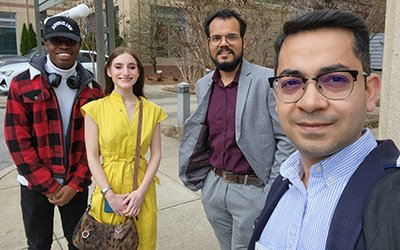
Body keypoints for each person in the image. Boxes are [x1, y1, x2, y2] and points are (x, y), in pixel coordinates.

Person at [249, 9, 400, 250]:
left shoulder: (393, 199)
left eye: (335, 80)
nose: (309, 103)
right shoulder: (286, 179)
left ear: (369, 92)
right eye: (291, 83)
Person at [179, 9, 294, 250]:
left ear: (243, 40)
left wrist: (270, 191)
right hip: (215, 188)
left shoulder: (267, 81)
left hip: (252, 191)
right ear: (208, 44)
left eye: (231, 37)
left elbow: (287, 139)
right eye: (216, 38)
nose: (224, 44)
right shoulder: (203, 85)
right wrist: (207, 184)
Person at [3, 16, 103, 250]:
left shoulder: (94, 90)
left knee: (79, 244)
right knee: (38, 244)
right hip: (34, 185)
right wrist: (49, 186)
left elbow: (95, 145)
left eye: (70, 41)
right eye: (56, 40)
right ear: (46, 44)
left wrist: (75, 183)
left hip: (75, 185)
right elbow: (17, 142)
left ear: (79, 45)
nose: (64, 46)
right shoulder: (22, 84)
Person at [81, 47, 167, 250]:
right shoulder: (95, 109)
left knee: (143, 241)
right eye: (118, 67)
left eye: (131, 67)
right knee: (108, 242)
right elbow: (92, 156)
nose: (125, 73)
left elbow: (156, 155)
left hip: (142, 187)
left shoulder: (153, 111)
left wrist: (141, 192)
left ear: (138, 72)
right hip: (108, 185)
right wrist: (109, 194)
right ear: (109, 71)